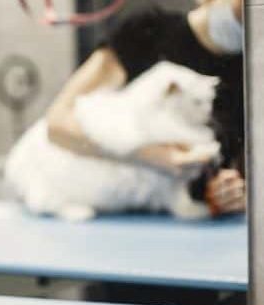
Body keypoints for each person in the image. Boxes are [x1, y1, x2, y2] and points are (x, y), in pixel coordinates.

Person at [44, 0, 245, 216]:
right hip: (87, 197)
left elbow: (223, 175)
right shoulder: (146, 32)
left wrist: (221, 193)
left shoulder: (252, 72)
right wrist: (156, 157)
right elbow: (58, 125)